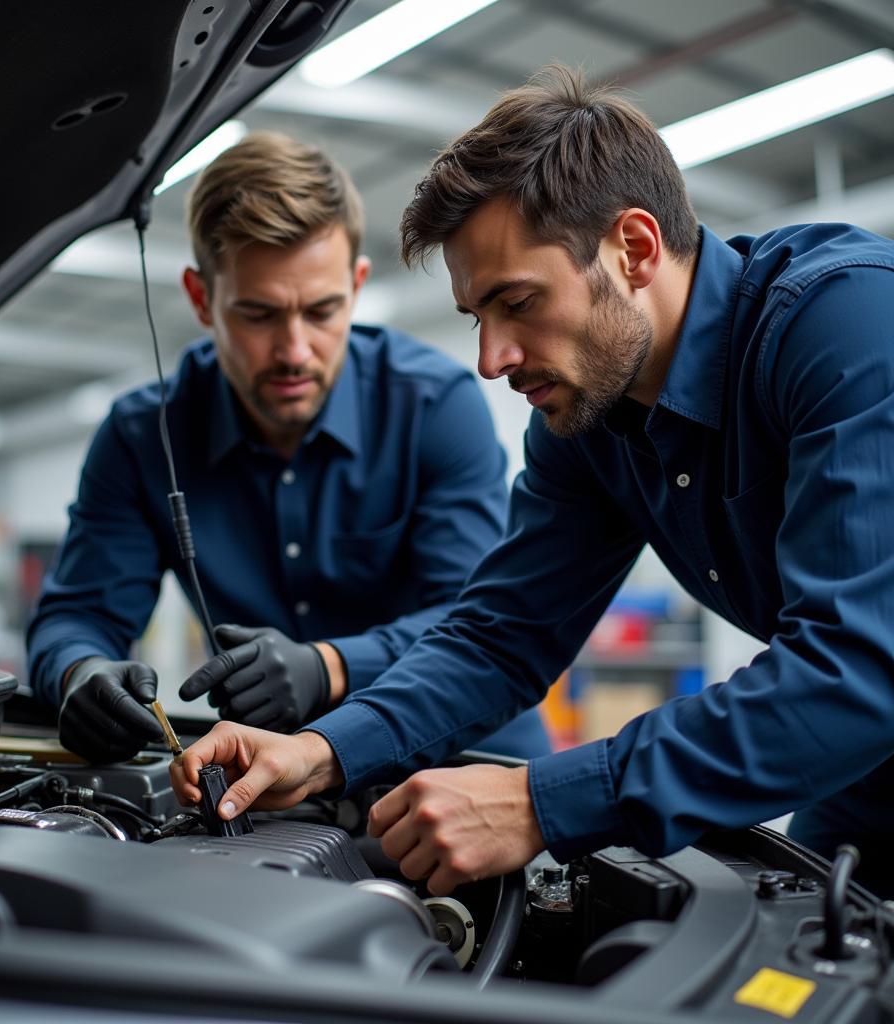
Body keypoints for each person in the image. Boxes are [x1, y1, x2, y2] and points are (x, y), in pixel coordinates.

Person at [171, 66, 894, 899]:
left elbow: (857, 669)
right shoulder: (588, 419)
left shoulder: (845, 324)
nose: (492, 359)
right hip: (861, 776)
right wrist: (325, 750)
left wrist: (538, 801)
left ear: (633, 248)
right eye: (479, 317)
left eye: (518, 301)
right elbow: (501, 636)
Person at [26, 131, 552, 765]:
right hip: (279, 782)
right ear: (201, 299)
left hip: (467, 763)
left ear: (357, 286)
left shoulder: (434, 408)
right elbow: (79, 612)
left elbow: (475, 624)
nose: (295, 351)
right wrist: (80, 672)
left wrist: (327, 666)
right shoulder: (144, 437)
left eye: (322, 311)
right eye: (259, 314)